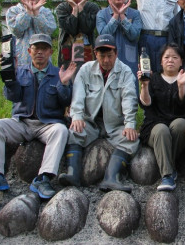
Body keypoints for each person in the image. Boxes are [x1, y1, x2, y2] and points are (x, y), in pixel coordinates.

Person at [0, 34, 76, 199]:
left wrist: (64, 83)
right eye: (36, 48)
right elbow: (13, 96)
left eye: (44, 49)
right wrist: (10, 78)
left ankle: (43, 178)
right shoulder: (20, 71)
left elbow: (65, 100)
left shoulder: (58, 72)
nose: (40, 52)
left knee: (61, 131)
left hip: (47, 124)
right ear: (29, 51)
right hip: (22, 122)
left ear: (50, 51)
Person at [59, 34, 139, 193]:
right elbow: (78, 96)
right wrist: (77, 116)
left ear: (116, 53)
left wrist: (130, 124)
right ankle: (72, 174)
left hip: (115, 124)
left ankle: (111, 178)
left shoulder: (125, 72)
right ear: (96, 54)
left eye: (110, 56)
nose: (106, 60)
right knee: (74, 131)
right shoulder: (86, 70)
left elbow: (129, 99)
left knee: (132, 140)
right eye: (102, 56)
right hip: (90, 122)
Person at [138, 43, 185, 191]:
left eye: (175, 57)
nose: (170, 60)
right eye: (167, 57)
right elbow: (146, 104)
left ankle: (167, 164)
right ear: (161, 61)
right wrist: (144, 85)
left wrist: (181, 85)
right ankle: (168, 175)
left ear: (181, 61)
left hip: (177, 124)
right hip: (155, 126)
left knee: (182, 124)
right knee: (162, 130)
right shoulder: (153, 78)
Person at [97, 0, 142, 93]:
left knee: (130, 94)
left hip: (129, 60)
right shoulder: (102, 14)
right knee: (109, 94)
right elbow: (103, 35)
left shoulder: (135, 14)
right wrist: (115, 16)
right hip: (108, 60)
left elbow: (134, 35)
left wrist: (122, 17)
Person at [6, 0, 57, 67]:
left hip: (43, 61)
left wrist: (36, 14)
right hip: (21, 60)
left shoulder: (46, 12)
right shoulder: (13, 11)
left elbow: (49, 30)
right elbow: (16, 30)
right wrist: (28, 13)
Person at [56, 0, 100, 74]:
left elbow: (87, 29)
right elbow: (71, 29)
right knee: (68, 83)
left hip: (88, 52)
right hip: (67, 53)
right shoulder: (62, 8)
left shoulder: (92, 7)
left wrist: (81, 10)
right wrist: (74, 11)